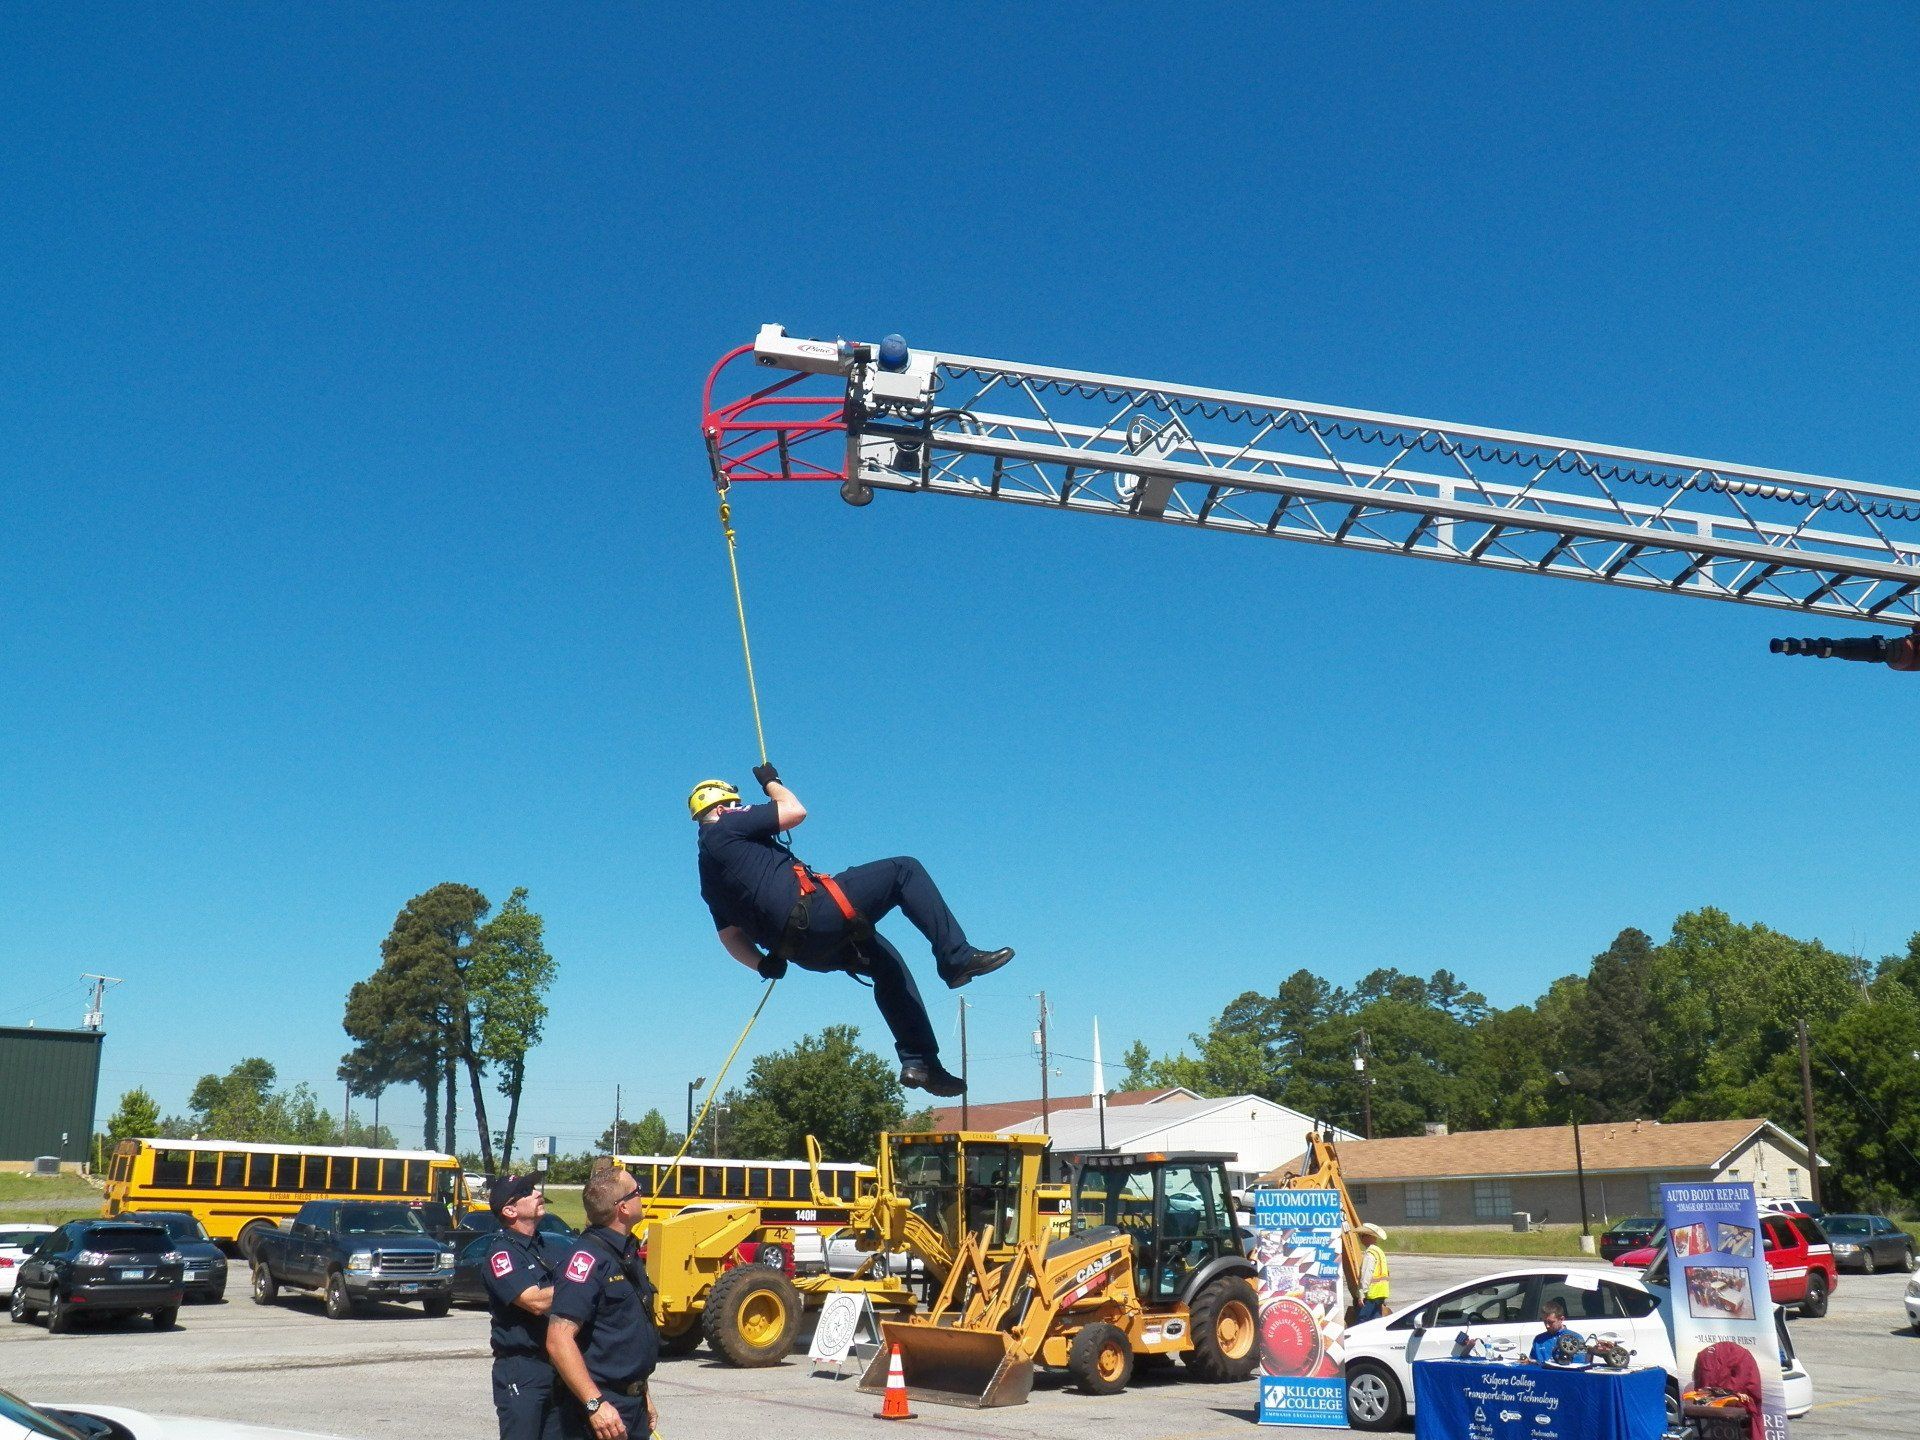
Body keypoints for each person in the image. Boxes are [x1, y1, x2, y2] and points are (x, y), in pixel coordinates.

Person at [691, 765, 1013, 1098]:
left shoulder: (708, 875)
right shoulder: (727, 823)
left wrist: (761, 964)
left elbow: (729, 937)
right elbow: (793, 811)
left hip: (808, 953)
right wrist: (772, 783)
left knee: (888, 968)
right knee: (905, 870)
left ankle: (920, 1063)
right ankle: (955, 958)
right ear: (721, 808)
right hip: (819, 914)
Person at [548, 1168, 661, 1440]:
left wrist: (642, 1392)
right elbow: (558, 1339)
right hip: (601, 1409)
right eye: (637, 1191)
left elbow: (623, 1335)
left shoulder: (625, 1253)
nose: (642, 1195)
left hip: (630, 1405)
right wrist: (594, 1403)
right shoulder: (587, 1259)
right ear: (622, 1207)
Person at [482, 1175, 568, 1440]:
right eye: (526, 1192)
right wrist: (582, 1284)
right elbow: (534, 1301)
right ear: (510, 1210)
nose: (536, 1193)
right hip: (522, 1368)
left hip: (559, 1365)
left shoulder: (548, 1247)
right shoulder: (501, 1254)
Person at [1529, 1298, 1588, 1366]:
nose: (1547, 1325)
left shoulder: (1577, 1338)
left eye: (1551, 1322)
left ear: (1561, 1319)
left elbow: (1580, 1363)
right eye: (1545, 1321)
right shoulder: (1538, 1339)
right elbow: (1533, 1362)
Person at [1355, 1222, 1391, 1322]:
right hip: (1381, 1293)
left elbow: (1366, 1275)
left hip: (1371, 1294)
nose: (1361, 1239)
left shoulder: (1370, 1253)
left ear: (1369, 1237)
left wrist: (1361, 1295)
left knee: (1362, 1320)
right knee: (1375, 1321)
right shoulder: (1379, 1251)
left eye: (1362, 1236)